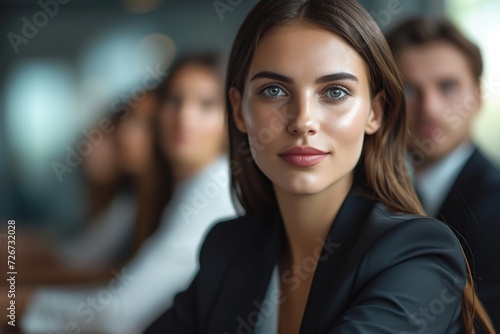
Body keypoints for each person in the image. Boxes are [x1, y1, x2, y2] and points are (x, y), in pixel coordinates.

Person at [145, 1, 495, 333]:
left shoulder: (415, 254)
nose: (303, 121)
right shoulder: (228, 247)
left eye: (335, 92)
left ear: (375, 112)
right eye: (273, 90)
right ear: (238, 110)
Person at [16, 52, 236, 333]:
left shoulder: (214, 186)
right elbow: (95, 269)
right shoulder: (186, 187)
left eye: (206, 104)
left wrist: (16, 302)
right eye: (174, 101)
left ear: (233, 115)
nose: (185, 118)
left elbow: (117, 315)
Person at [387, 18, 500, 330]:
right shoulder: (380, 197)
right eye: (409, 88)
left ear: (477, 97)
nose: (430, 108)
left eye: (447, 86)